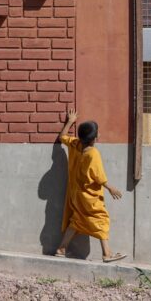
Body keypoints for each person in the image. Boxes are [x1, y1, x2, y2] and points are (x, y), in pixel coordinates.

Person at [54, 109, 126, 262]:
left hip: (75, 194)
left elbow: (62, 137)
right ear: (94, 138)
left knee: (77, 220)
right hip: (89, 196)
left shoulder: (75, 144)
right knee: (102, 219)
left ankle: (61, 248)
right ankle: (107, 254)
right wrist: (110, 187)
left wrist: (70, 121)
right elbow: (98, 176)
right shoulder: (93, 154)